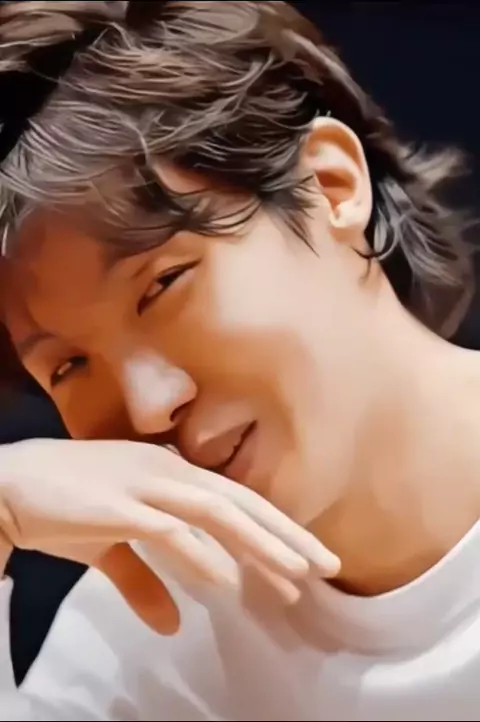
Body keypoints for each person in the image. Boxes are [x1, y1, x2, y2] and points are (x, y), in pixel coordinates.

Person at [0, 0, 479, 719]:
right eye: (67, 368)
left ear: (331, 188)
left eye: (163, 285)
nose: (148, 407)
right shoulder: (153, 619)